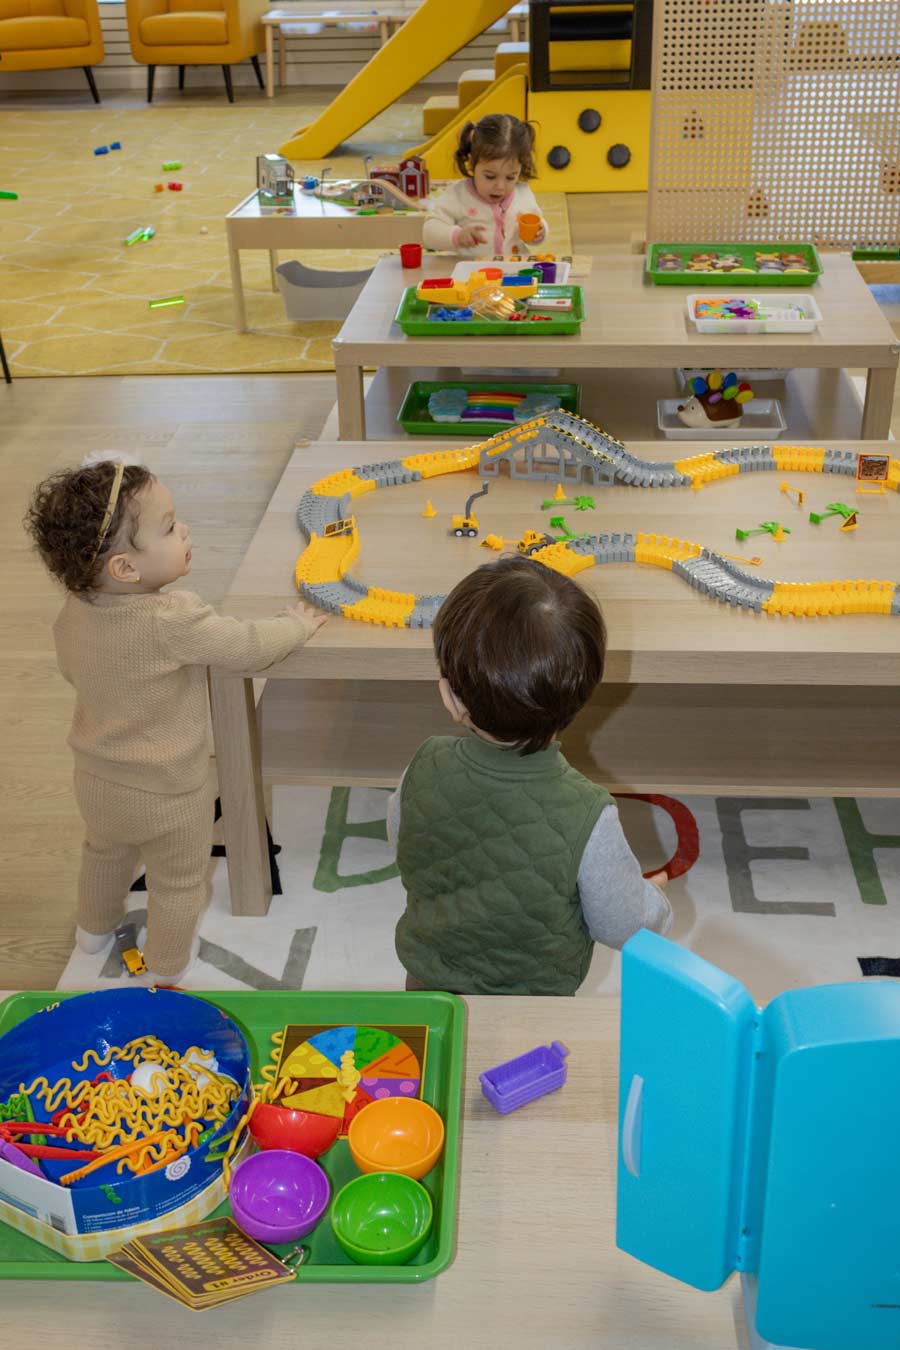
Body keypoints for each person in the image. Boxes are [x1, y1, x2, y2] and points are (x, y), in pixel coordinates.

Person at [25, 457, 325, 985]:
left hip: (94, 779)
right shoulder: (171, 618)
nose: (184, 529)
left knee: (103, 852)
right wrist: (294, 626)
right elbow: (246, 648)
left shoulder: (73, 612)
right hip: (169, 791)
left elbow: (74, 671)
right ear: (125, 568)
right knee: (179, 884)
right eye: (168, 527)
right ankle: (167, 969)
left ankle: (92, 933)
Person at [387, 556, 671, 995]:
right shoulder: (588, 813)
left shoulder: (421, 766)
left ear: (450, 698)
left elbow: (405, 843)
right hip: (535, 999)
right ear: (581, 698)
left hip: (429, 983)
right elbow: (623, 926)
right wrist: (653, 902)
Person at [422, 114, 548, 258]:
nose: (500, 186)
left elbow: (537, 223)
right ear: (472, 163)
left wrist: (540, 232)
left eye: (510, 177)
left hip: (514, 273)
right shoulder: (459, 195)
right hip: (472, 274)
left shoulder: (523, 194)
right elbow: (429, 232)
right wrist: (456, 235)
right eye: (490, 176)